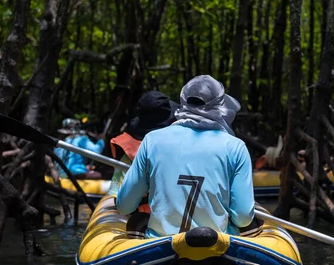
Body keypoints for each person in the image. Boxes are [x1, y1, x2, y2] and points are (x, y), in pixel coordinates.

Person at [116, 75, 261, 238]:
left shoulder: (152, 140)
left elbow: (124, 206)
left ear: (183, 102)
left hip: (160, 247)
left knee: (137, 221)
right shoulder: (236, 147)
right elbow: (242, 218)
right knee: (253, 225)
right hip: (215, 245)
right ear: (221, 105)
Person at [107, 90, 177, 219]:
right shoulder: (181, 150)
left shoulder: (129, 152)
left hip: (144, 219)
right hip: (175, 218)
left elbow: (117, 197)